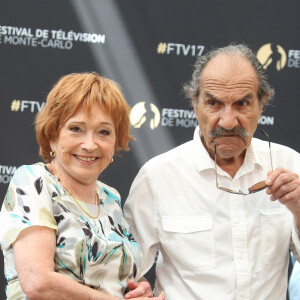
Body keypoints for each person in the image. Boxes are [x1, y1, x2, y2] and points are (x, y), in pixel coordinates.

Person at [124, 44, 300, 299]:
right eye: (214, 103)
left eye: (242, 103)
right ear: (195, 104)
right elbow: (124, 269)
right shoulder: (157, 177)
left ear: (262, 104)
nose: (228, 121)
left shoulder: (291, 164)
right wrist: (137, 288)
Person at [0, 72, 165, 300]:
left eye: (104, 132)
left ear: (115, 142)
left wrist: (140, 286)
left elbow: (115, 276)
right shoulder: (34, 181)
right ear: (52, 135)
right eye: (76, 129)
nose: (90, 144)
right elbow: (38, 282)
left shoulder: (110, 198)